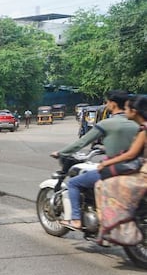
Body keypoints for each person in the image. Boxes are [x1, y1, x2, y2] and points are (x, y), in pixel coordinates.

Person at [51, 90, 139, 230]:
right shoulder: (137, 124)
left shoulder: (107, 123)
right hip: (135, 168)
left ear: (113, 104)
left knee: (73, 183)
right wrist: (106, 148)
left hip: (114, 169)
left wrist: (61, 152)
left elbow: (82, 142)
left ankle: (75, 220)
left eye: (107, 102)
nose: (106, 104)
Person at [94, 95, 147, 245]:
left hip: (144, 176)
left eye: (126, 108)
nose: (125, 111)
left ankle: (114, 229)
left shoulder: (144, 130)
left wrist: (106, 163)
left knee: (102, 185)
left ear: (134, 111)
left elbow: (130, 154)